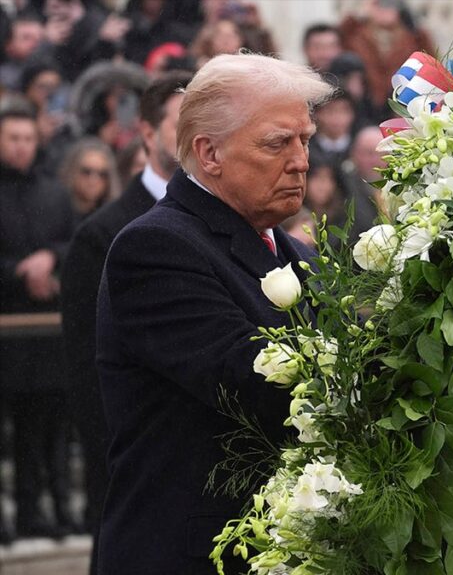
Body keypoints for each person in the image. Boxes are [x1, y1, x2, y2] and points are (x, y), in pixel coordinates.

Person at [94, 53, 331, 574]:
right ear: (209, 153)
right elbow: (263, 384)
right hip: (194, 557)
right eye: (277, 143)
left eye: (305, 140)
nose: (301, 161)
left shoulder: (301, 255)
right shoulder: (156, 247)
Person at [61, 70, 192, 575]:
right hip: (132, 461)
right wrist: (114, 454)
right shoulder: (103, 234)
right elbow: (85, 365)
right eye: (181, 123)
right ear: (146, 132)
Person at [0, 105, 76, 539]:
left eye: (28, 138)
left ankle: (37, 511)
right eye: (13, 138)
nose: (21, 146)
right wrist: (18, 271)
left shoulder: (53, 192)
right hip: (7, 323)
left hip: (44, 334)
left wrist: (51, 258)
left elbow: (71, 242)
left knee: (39, 430)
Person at [57, 137, 122, 224]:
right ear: (72, 171)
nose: (93, 180)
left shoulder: (112, 220)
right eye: (87, 172)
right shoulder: (56, 213)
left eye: (102, 174)